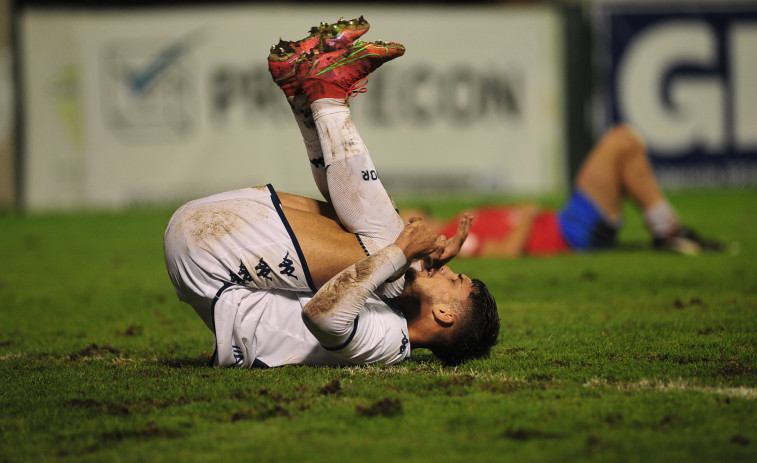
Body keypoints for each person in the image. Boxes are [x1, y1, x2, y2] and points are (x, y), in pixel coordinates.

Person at [163, 17, 500, 368]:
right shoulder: (394, 317)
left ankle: (327, 95)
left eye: (455, 279)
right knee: (379, 245)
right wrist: (413, 260)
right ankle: (301, 91)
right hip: (214, 245)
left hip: (210, 255)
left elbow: (321, 315)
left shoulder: (386, 341)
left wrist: (403, 252)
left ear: (444, 313)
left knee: (388, 246)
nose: (448, 270)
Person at [401, 125, 724, 258]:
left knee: (625, 148)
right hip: (570, 232)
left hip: (566, 224)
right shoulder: (450, 238)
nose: (404, 214)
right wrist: (527, 215)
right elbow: (506, 253)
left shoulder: (453, 222)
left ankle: (667, 229)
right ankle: (668, 230)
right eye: (400, 218)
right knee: (619, 140)